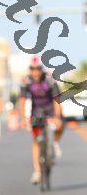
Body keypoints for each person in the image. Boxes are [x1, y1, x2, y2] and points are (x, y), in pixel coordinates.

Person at [19, 56, 64, 184]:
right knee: (36, 141)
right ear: (30, 70)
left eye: (38, 69)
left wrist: (57, 117)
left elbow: (57, 100)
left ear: (41, 70)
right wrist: (23, 118)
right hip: (36, 112)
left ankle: (54, 144)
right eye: (33, 69)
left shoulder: (49, 80)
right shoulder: (26, 81)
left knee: (61, 124)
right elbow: (22, 100)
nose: (35, 72)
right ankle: (37, 172)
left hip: (50, 110)